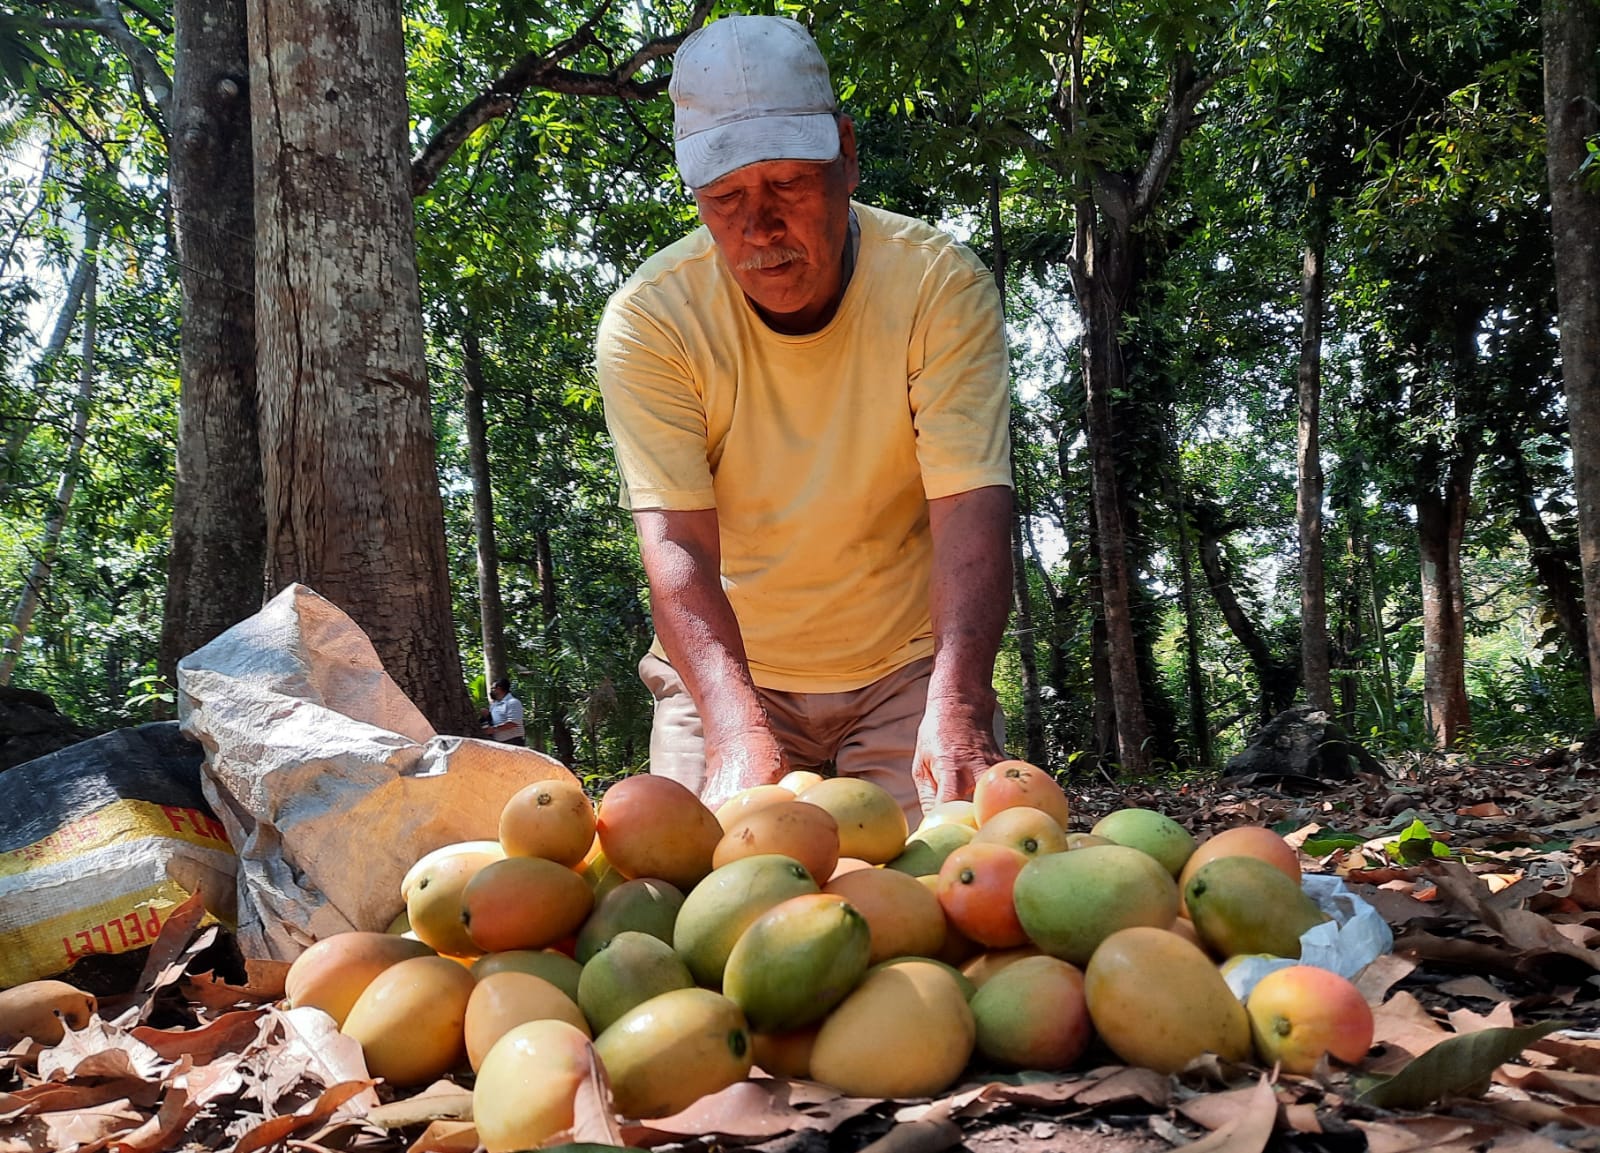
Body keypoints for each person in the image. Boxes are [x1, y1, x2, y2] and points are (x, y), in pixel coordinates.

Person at [596, 14, 1014, 822]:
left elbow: (969, 504)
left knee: (952, 893)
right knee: (695, 907)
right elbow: (676, 539)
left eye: (786, 183)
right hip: (728, 672)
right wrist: (733, 729)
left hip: (908, 670)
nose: (759, 229)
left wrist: (958, 703)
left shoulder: (938, 287)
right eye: (725, 198)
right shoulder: (653, 320)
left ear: (846, 157)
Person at [484, 678, 526, 747]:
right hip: (498, 742)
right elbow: (492, 721)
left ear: (499, 689)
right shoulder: (494, 705)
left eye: (493, 689)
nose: (491, 691)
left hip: (513, 742)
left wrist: (493, 729)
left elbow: (513, 723)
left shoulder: (513, 702)